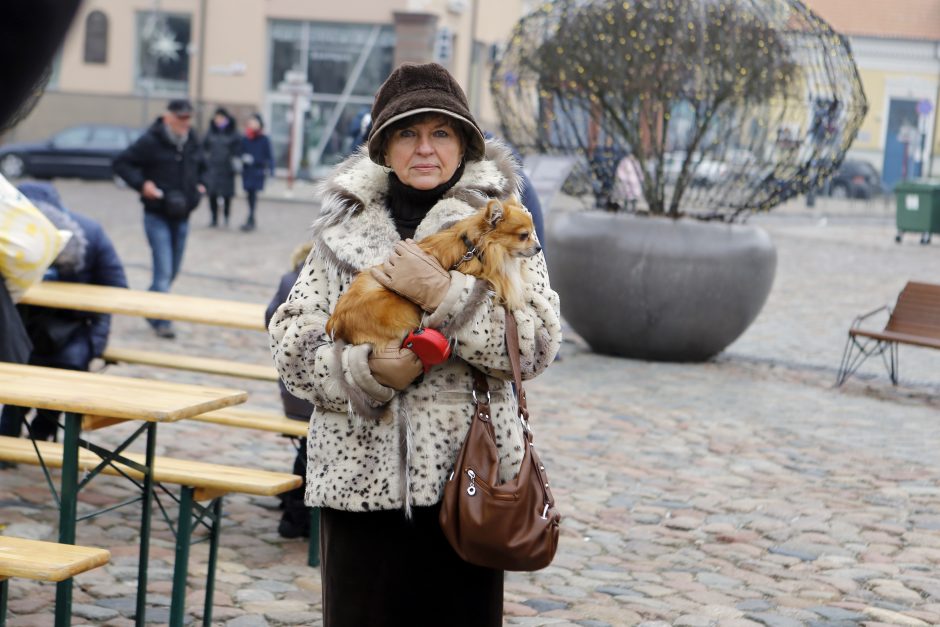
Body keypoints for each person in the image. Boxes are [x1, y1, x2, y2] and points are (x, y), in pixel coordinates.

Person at [268, 62, 561, 626]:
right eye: (407, 132)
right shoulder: (341, 229)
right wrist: (366, 369)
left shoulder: (501, 225)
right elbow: (290, 343)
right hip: (357, 481)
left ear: (463, 144)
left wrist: (450, 298)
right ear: (383, 146)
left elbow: (539, 345)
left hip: (466, 480)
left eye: (440, 133)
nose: (424, 148)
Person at [0, 182, 127, 441]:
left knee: (64, 369)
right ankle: (10, 438)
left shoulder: (89, 234)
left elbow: (116, 289)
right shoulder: (8, 241)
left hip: (72, 329)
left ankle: (41, 431)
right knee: (19, 368)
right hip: (24, 326)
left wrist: (95, 342)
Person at [113, 99, 207, 339]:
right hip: (157, 216)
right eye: (181, 118)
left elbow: (204, 166)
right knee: (163, 271)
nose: (186, 123)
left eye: (189, 118)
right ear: (168, 117)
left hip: (183, 214)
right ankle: (161, 320)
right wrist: (142, 184)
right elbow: (122, 163)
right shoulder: (150, 140)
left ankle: (151, 306)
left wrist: (202, 185)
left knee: (172, 271)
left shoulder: (192, 139)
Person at [203, 107, 240, 227]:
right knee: (212, 195)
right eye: (216, 117)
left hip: (227, 169)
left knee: (227, 195)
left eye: (220, 117)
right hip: (213, 168)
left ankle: (226, 217)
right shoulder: (211, 131)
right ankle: (214, 218)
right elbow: (203, 147)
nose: (218, 120)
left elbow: (238, 149)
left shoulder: (232, 132)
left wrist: (234, 160)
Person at [239, 113, 274, 232]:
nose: (252, 124)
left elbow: (269, 157)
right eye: (251, 122)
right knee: (249, 195)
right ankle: (251, 218)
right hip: (247, 171)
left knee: (253, 195)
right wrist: (243, 158)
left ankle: (250, 218)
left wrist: (271, 172)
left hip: (257, 172)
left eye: (254, 122)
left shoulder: (264, 139)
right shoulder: (245, 138)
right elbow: (240, 152)